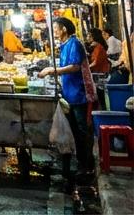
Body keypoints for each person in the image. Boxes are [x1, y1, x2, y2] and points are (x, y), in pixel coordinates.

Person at [39, 17, 96, 179]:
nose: (54, 31)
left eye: (56, 28)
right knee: (75, 130)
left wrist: (52, 71)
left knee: (82, 130)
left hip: (79, 94)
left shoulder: (74, 43)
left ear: (64, 28)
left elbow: (75, 67)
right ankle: (80, 161)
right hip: (69, 93)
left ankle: (87, 165)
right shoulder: (65, 45)